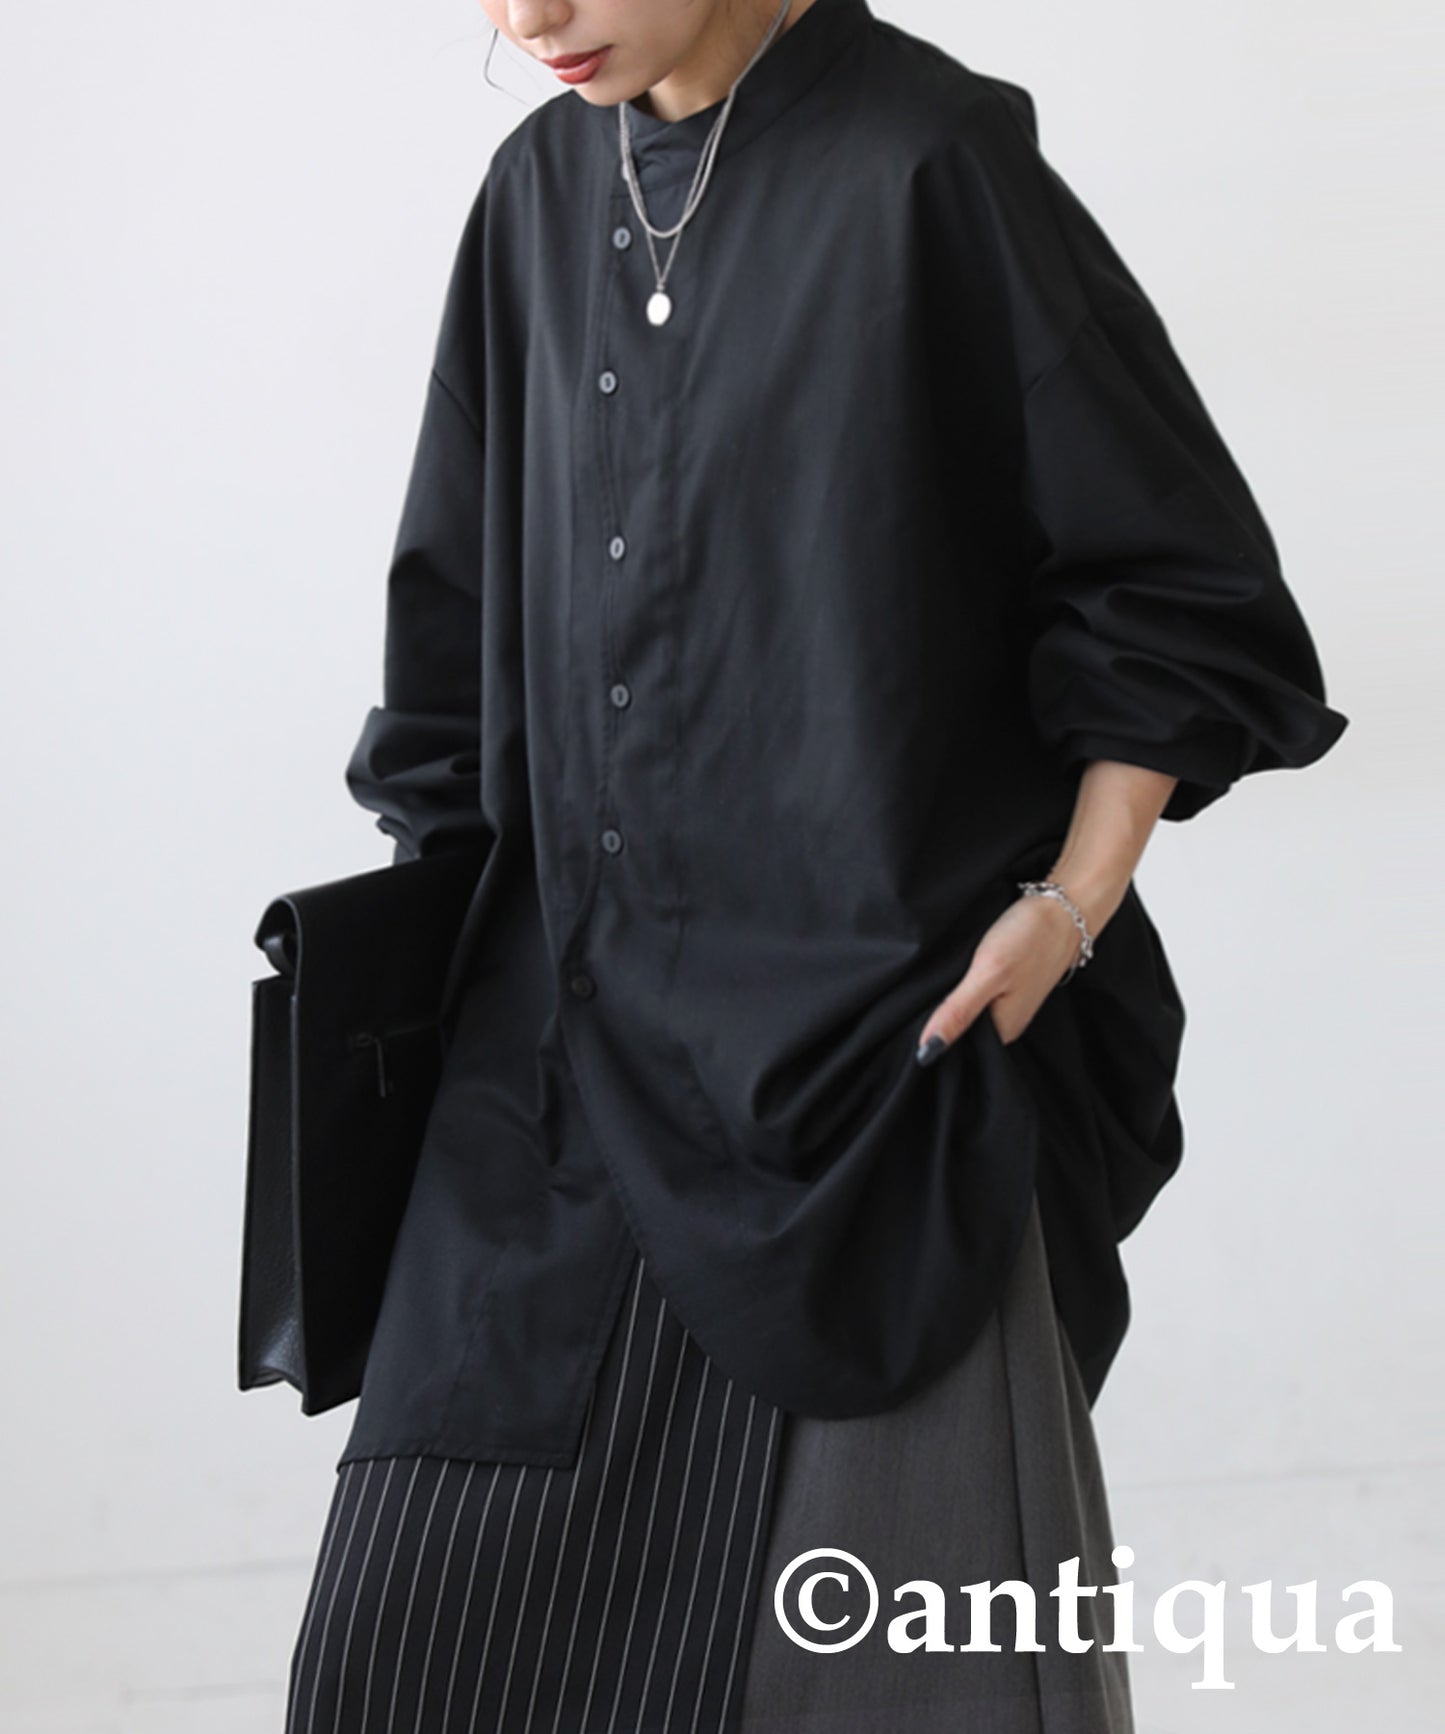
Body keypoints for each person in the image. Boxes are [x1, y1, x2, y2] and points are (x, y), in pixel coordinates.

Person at [283, 1, 1350, 1729]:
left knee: (893, 1683)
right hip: (552, 1071)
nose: (529, 17)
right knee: (406, 1661)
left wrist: (1068, 907)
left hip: (875, 1080)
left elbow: (1172, 582)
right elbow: (451, 644)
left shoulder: (927, 161)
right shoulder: (534, 192)